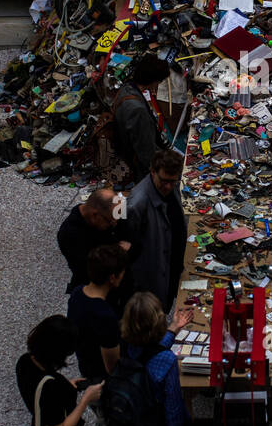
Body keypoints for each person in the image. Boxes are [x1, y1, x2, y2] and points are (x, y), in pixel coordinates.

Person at [119, 292, 209, 426]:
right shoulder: (167, 361)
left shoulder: (128, 348)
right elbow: (173, 407)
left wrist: (173, 330)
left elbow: (151, 351)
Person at [124, 149, 187, 313]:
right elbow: (130, 251)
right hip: (154, 277)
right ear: (152, 172)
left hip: (170, 268)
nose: (168, 186)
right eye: (164, 181)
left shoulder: (171, 186)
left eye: (173, 181)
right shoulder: (136, 204)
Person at [57, 187, 131, 306]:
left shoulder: (112, 210)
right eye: (110, 221)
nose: (114, 224)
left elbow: (127, 230)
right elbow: (90, 269)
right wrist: (119, 250)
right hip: (100, 294)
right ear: (94, 215)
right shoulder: (70, 234)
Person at [67, 245, 127, 384]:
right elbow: (112, 367)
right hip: (102, 380)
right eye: (122, 273)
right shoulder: (104, 316)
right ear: (112, 278)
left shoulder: (77, 293)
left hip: (86, 366)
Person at [115, 55, 172, 182]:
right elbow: (147, 152)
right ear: (154, 81)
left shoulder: (126, 89)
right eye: (159, 81)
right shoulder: (137, 110)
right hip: (139, 168)